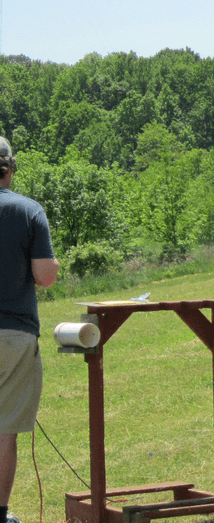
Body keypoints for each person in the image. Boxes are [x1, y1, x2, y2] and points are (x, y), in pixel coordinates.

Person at [0, 136, 60, 523]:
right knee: (5, 430)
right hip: (14, 334)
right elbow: (45, 276)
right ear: (10, 167)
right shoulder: (29, 210)